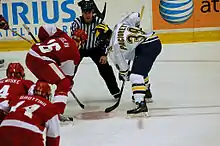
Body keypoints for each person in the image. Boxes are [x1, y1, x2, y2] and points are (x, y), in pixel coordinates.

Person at [94, 12, 162, 114]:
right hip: (152, 41)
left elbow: (125, 72)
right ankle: (146, 92)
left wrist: (124, 75)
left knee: (135, 75)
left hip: (146, 47)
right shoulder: (119, 25)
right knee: (140, 69)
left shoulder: (113, 50)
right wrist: (137, 27)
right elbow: (136, 15)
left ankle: (141, 103)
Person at [25, 24, 88, 115]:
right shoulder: (75, 54)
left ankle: (32, 106)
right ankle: (56, 114)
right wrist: (69, 84)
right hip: (43, 60)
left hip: (31, 55)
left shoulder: (62, 34)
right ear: (82, 43)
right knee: (64, 83)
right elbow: (67, 78)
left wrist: (44, 41)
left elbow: (44, 29)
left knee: (45, 80)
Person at [70, 0, 121, 99]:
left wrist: (104, 54)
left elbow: (108, 38)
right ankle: (62, 92)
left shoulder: (99, 22)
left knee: (105, 69)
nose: (87, 15)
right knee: (69, 69)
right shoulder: (76, 23)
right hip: (79, 49)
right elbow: (73, 41)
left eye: (89, 12)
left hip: (96, 49)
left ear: (92, 12)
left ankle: (115, 92)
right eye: (85, 13)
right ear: (82, 13)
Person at [0, 81, 60, 146]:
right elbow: (53, 136)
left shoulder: (18, 98)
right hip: (29, 135)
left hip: (5, 130)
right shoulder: (50, 107)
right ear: (48, 95)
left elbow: (2, 107)